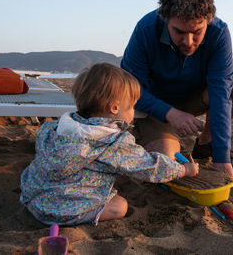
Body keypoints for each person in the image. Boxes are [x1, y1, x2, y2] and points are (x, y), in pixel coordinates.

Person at [20, 63, 198, 226]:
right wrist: (183, 170)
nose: (132, 112)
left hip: (33, 198)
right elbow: (150, 166)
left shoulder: (57, 127)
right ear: (114, 108)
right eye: (131, 107)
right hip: (60, 211)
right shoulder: (112, 141)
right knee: (120, 205)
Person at [121, 0, 233, 179]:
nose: (189, 42)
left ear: (208, 21)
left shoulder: (219, 32)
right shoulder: (146, 29)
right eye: (179, 31)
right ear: (165, 19)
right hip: (151, 108)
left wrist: (222, 159)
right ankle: (150, 138)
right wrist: (170, 114)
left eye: (197, 31)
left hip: (191, 100)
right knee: (168, 166)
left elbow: (220, 94)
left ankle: (205, 143)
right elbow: (130, 90)